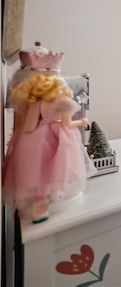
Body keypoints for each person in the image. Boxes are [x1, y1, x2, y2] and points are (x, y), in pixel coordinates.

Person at [2, 43, 97, 223]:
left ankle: (40, 204)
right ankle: (54, 195)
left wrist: (25, 136)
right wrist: (82, 121)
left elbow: (29, 127)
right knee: (57, 169)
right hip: (59, 140)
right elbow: (68, 124)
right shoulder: (63, 102)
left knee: (37, 172)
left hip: (33, 141)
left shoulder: (35, 103)